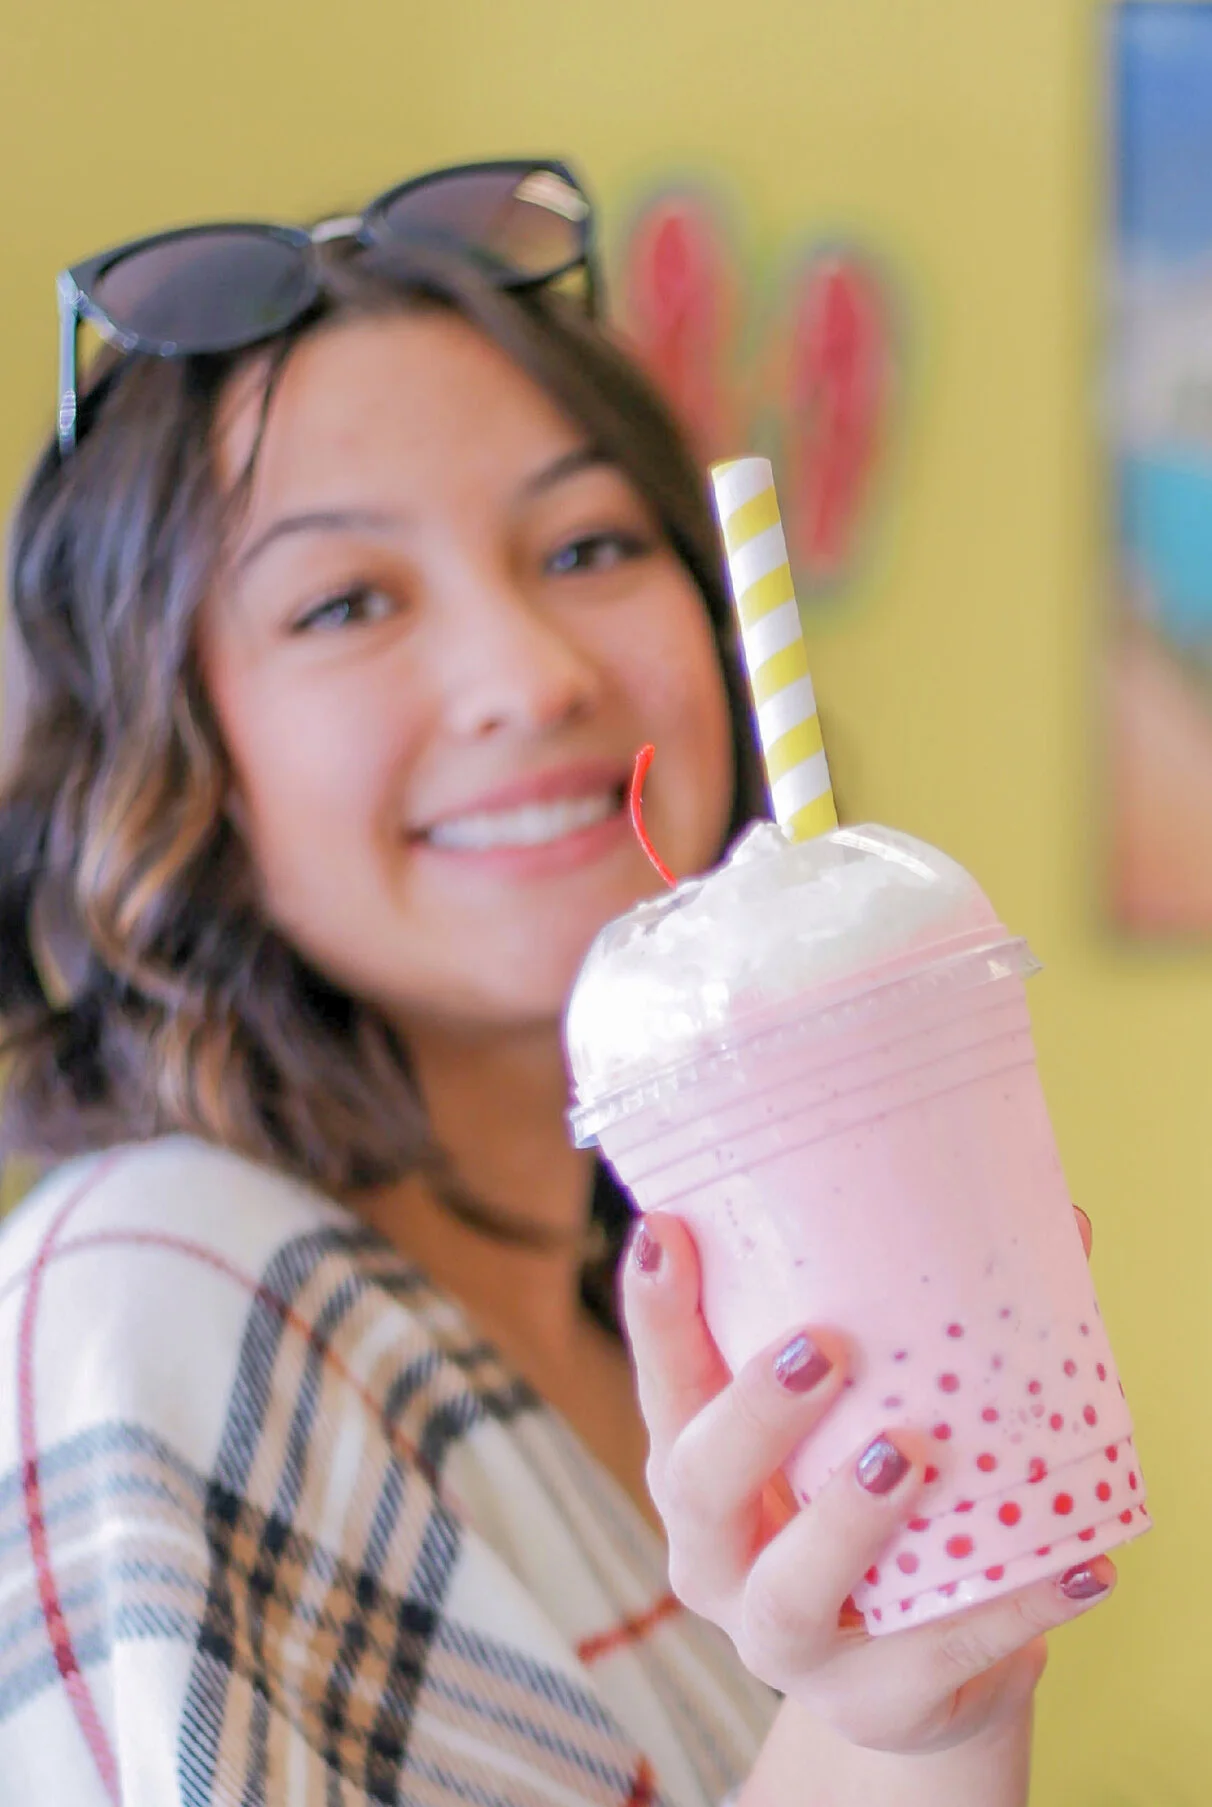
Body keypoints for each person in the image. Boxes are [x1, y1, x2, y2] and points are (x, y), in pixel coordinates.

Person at [0, 163, 1110, 1806]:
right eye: (346, 600)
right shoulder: (146, 1299)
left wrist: (936, 1706)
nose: (533, 675)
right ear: (167, 754)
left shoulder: (688, 1296)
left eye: (588, 545)